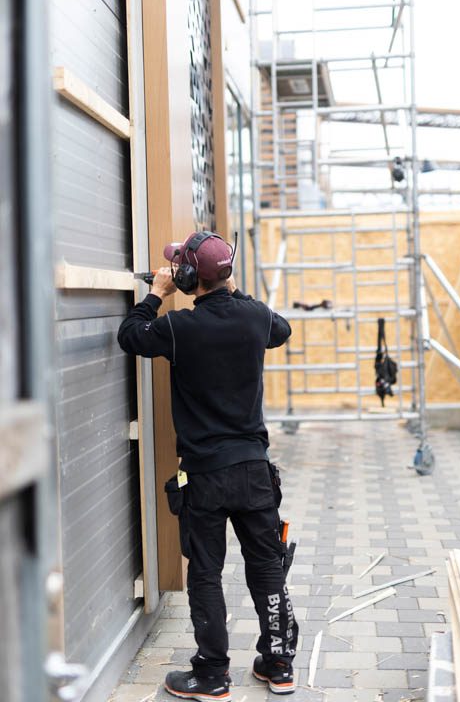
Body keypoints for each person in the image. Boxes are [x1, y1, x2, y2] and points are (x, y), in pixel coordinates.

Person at [117, 231, 298, 701]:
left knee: (205, 573)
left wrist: (157, 293)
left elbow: (130, 336)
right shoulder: (256, 318)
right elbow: (282, 329)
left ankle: (213, 675)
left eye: (182, 267)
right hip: (255, 472)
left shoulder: (179, 326)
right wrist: (228, 287)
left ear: (190, 275)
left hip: (205, 475)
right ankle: (278, 665)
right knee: (267, 566)